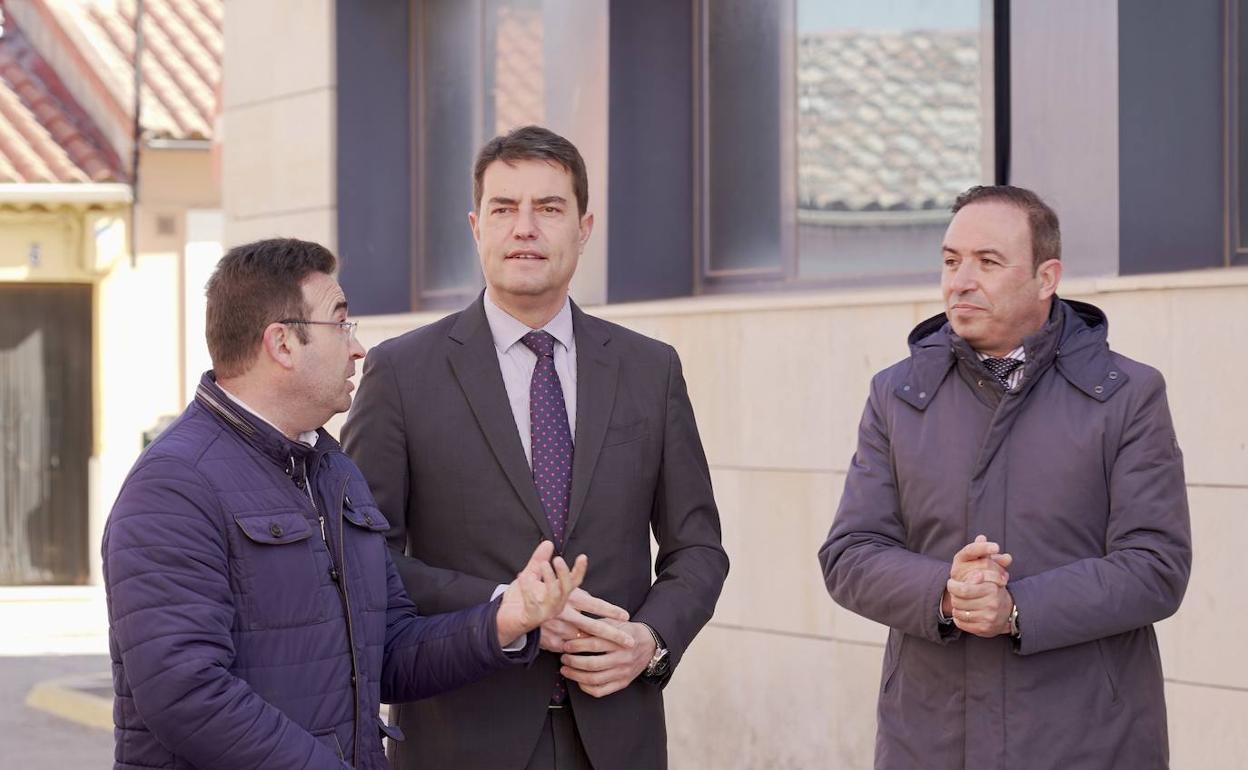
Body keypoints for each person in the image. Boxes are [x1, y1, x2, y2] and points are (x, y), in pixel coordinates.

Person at [103, 238, 589, 770]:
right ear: (283, 344)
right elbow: (188, 696)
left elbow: (388, 651)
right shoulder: (174, 487)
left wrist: (503, 621)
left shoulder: (333, 473)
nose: (357, 348)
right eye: (341, 324)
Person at [342, 125, 729, 770]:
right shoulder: (401, 373)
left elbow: (698, 549)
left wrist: (651, 641)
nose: (525, 228)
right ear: (475, 226)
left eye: (548, 208)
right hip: (460, 733)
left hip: (616, 735)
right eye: (504, 209)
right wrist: (505, 609)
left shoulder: (649, 369)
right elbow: (366, 558)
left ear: (584, 227)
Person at [818, 185, 1192, 768]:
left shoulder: (1127, 395)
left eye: (987, 262)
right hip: (932, 736)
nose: (960, 280)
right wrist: (945, 591)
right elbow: (849, 554)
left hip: (1089, 737)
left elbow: (1156, 566)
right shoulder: (897, 394)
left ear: (1047, 277)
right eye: (950, 261)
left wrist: (1017, 608)